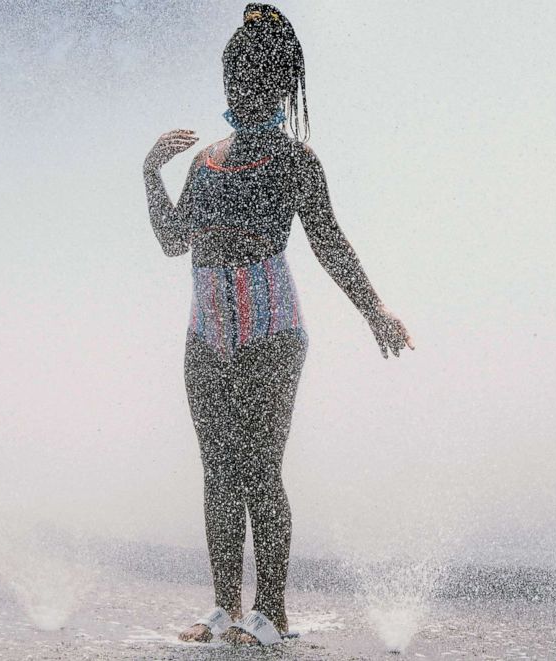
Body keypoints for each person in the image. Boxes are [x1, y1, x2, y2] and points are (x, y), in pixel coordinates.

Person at [141, 3, 414, 646]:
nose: (243, 87)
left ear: (278, 86)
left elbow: (328, 243)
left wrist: (375, 310)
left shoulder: (296, 161)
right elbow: (172, 242)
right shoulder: (205, 162)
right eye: (235, 75)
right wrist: (150, 172)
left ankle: (270, 614)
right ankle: (223, 610)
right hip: (205, 329)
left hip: (271, 329)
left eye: (256, 77)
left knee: (260, 467)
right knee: (217, 469)